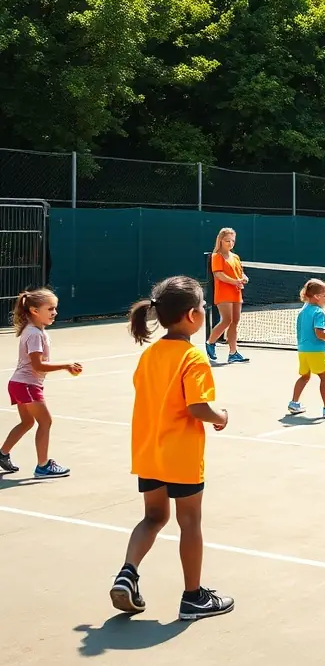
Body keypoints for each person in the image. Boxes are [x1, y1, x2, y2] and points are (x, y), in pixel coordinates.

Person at [110, 275, 234, 621]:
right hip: (180, 454)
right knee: (189, 520)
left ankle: (128, 573)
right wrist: (220, 415)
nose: (206, 311)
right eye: (204, 307)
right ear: (192, 316)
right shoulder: (193, 358)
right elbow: (198, 407)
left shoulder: (150, 355)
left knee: (153, 517)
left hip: (149, 452)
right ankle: (193, 597)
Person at [0, 289, 82, 478]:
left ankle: (2, 453)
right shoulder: (35, 334)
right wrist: (66, 365)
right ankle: (43, 466)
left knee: (28, 422)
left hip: (20, 383)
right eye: (50, 308)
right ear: (35, 310)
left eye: (55, 308)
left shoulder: (35, 331)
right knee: (45, 421)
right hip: (27, 384)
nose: (55, 312)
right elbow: (38, 365)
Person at [287, 278, 325, 419]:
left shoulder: (303, 310)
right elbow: (319, 333)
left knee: (305, 376)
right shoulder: (319, 312)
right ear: (317, 296)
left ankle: (294, 403)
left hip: (302, 350)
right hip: (314, 351)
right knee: (324, 376)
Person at [205, 228, 249, 365]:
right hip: (223, 293)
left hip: (236, 292)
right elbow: (218, 274)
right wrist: (234, 281)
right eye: (227, 241)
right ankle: (210, 343)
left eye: (232, 241)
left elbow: (241, 273)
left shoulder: (235, 257)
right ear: (221, 241)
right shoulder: (216, 256)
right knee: (227, 320)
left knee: (234, 322)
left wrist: (243, 279)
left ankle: (233, 353)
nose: (230, 244)